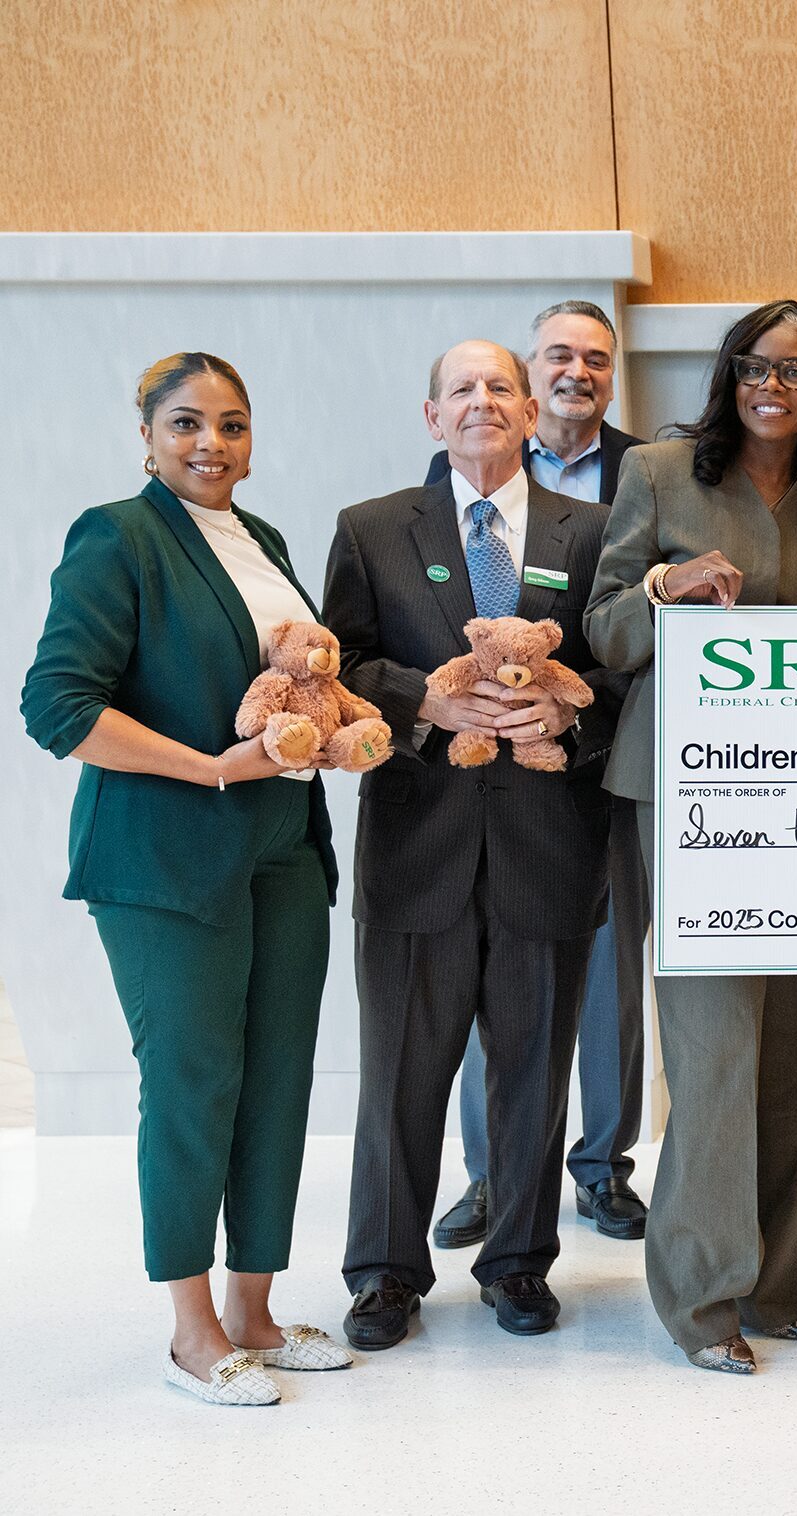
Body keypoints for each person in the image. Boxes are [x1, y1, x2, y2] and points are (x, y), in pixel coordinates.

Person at [21, 353, 351, 1404]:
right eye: (187, 423)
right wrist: (212, 765)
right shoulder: (117, 536)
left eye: (233, 424)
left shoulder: (268, 544)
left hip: (283, 849)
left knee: (277, 1078)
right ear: (148, 433)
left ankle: (256, 1305)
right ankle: (193, 1328)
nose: (212, 443)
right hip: (167, 854)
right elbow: (57, 708)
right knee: (193, 1082)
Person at [585, 300, 797, 1374]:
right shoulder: (661, 475)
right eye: (755, 366)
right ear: (729, 374)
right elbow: (606, 628)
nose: (773, 385)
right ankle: (703, 1295)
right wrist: (662, 587)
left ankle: (790, 1281)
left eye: (795, 371)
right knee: (715, 1048)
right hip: (690, 800)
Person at [327, 340, 624, 1349]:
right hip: (420, 849)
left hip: (548, 845)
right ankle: (383, 1272)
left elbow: (618, 676)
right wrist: (426, 696)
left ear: (531, 411)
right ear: (431, 416)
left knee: (535, 1072)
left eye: (502, 386)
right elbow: (346, 665)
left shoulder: (592, 532)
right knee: (401, 1073)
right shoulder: (371, 531)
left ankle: (517, 1263)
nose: (483, 402)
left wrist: (571, 726)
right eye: (462, 389)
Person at [423, 301, 651, 1251]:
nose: (578, 372)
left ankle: (602, 1168)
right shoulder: (457, 474)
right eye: (559, 355)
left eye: (596, 359)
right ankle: (491, 1175)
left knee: (605, 978)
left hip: (591, 776)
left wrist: (576, 710)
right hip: (472, 794)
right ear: (527, 377)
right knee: (494, 983)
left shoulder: (641, 477)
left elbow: (634, 635)